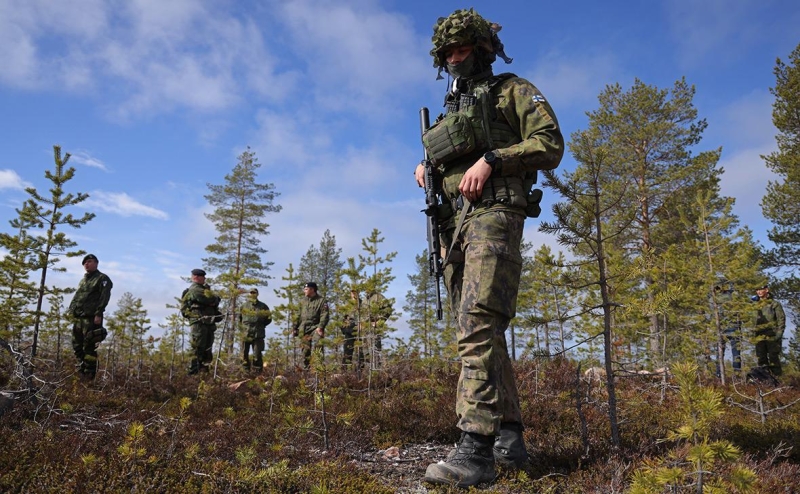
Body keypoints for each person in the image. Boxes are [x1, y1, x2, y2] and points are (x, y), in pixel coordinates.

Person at [414, 8, 564, 488]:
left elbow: (550, 143)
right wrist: (427, 169)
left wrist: (494, 159)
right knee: (481, 330)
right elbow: (449, 163)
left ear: (482, 49)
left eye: (462, 49)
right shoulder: (451, 110)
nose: (454, 59)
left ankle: (475, 450)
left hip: (495, 214)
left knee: (478, 322)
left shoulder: (512, 90)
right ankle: (509, 438)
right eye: (447, 53)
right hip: (455, 225)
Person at [68, 254, 113, 380]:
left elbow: (104, 297)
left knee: (89, 347)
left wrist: (98, 313)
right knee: (77, 346)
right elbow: (77, 297)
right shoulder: (84, 280)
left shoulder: (102, 278)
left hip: (91, 318)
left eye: (89, 261)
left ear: (96, 263)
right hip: (79, 318)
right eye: (85, 262)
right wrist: (71, 312)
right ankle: (81, 373)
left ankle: (89, 376)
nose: (87, 264)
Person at [181, 268, 221, 375]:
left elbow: (216, 299)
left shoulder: (204, 289)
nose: (205, 279)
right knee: (197, 348)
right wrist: (213, 299)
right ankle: (193, 373)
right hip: (199, 323)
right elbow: (208, 299)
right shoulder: (195, 289)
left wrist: (214, 299)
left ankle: (204, 372)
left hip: (208, 322)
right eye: (203, 277)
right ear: (196, 277)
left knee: (207, 348)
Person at [292, 282, 330, 369]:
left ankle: (319, 369)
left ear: (312, 289)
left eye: (306, 289)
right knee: (305, 350)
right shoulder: (302, 301)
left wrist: (320, 327)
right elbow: (297, 315)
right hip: (304, 328)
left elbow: (324, 315)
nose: (304, 291)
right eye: (304, 289)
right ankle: (306, 370)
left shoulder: (321, 301)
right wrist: (294, 327)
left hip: (316, 327)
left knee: (318, 345)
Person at [751, 284, 786, 376]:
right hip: (759, 335)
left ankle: (777, 378)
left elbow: (781, 319)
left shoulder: (774, 304)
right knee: (761, 358)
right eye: (757, 290)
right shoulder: (754, 305)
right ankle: (765, 379)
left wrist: (779, 334)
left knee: (773, 358)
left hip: (772, 335)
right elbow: (751, 320)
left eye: (760, 289)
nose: (758, 292)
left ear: (766, 290)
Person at [713, 281, 742, 376]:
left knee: (720, 354)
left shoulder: (714, 298)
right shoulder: (733, 295)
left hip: (726, 328)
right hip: (728, 328)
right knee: (735, 354)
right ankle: (736, 375)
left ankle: (719, 375)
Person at [240, 288, 272, 372]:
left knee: (257, 355)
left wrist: (261, 325)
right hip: (246, 334)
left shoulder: (263, 306)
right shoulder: (243, 306)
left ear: (257, 294)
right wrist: (244, 328)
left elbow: (269, 319)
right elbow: (240, 319)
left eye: (254, 293)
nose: (252, 294)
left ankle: (257, 373)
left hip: (258, 333)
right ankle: (245, 372)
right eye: (251, 293)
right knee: (243, 354)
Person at [341, 289, 362, 368]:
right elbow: (343, 319)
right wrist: (344, 330)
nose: (354, 294)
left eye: (355, 292)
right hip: (349, 330)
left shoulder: (362, 303)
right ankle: (345, 371)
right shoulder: (347, 304)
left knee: (361, 352)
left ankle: (360, 370)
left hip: (359, 329)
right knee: (347, 352)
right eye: (352, 292)